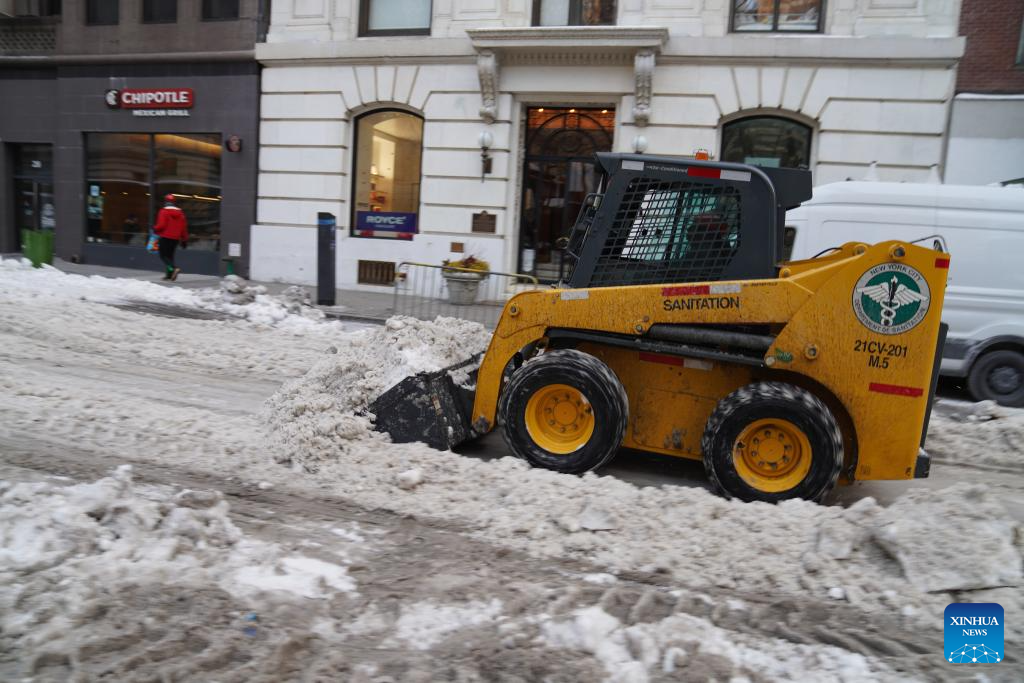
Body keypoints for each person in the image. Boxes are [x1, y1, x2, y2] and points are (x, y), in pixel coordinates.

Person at [153, 194, 189, 281]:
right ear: (174, 202)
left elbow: (161, 225)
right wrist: (184, 239)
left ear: (165, 201)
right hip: (175, 239)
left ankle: (174, 268)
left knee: (163, 255)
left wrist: (154, 228)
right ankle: (169, 275)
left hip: (165, 237)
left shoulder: (163, 211)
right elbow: (183, 227)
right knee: (170, 256)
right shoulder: (181, 213)